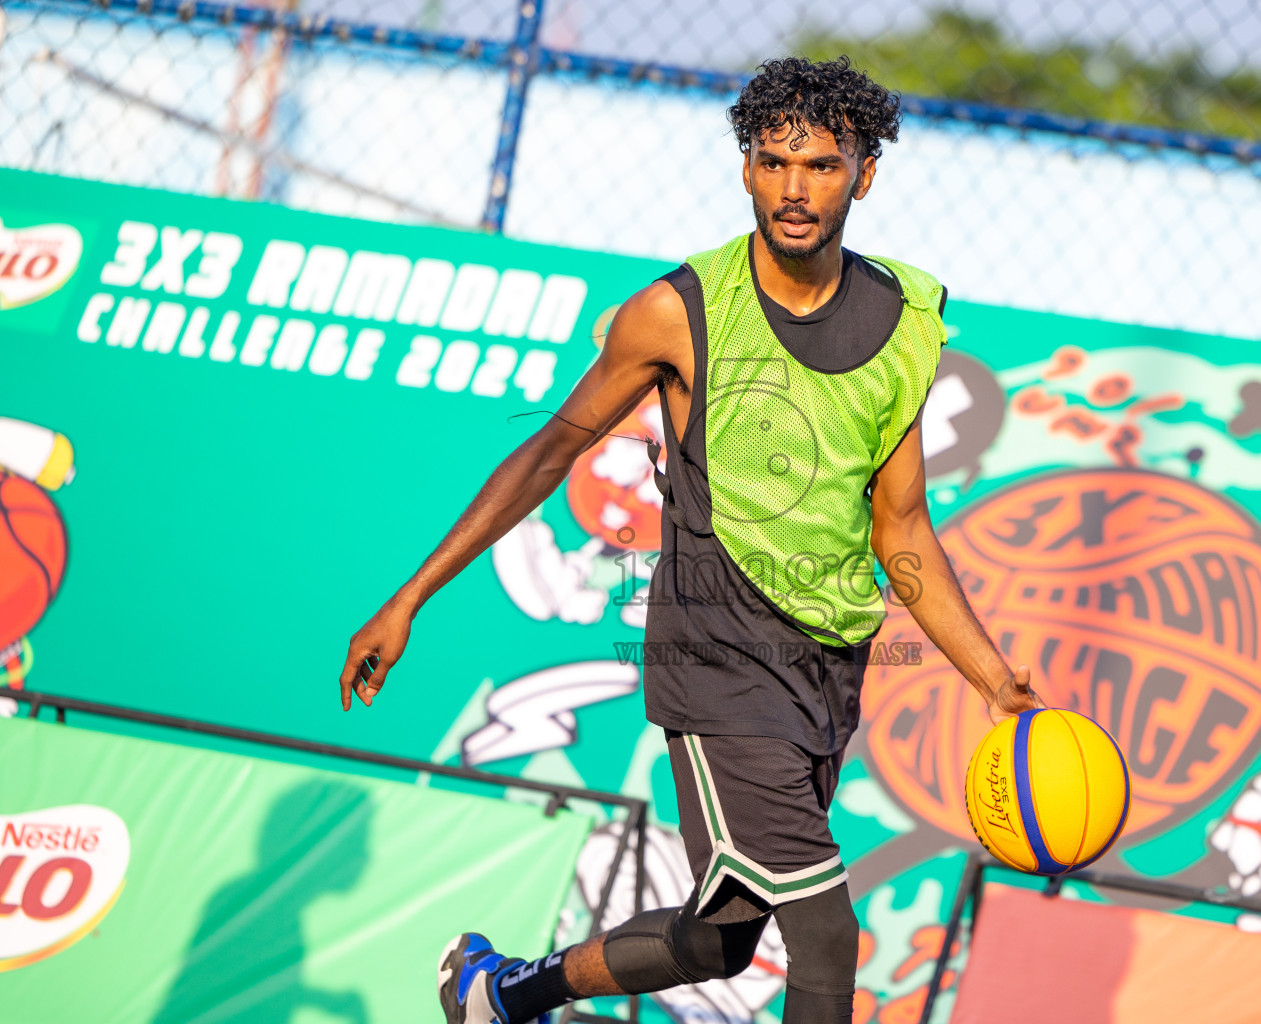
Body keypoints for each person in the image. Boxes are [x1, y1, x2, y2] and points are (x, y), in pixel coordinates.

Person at [339, 55, 1041, 1024]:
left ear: (865, 174)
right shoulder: (682, 311)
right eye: (773, 161)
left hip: (826, 668)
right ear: (746, 168)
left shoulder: (902, 323)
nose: (796, 188)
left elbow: (902, 524)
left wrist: (995, 681)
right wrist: (410, 597)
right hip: (715, 657)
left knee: (725, 932)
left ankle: (498, 991)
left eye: (824, 165)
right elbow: (550, 452)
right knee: (827, 932)